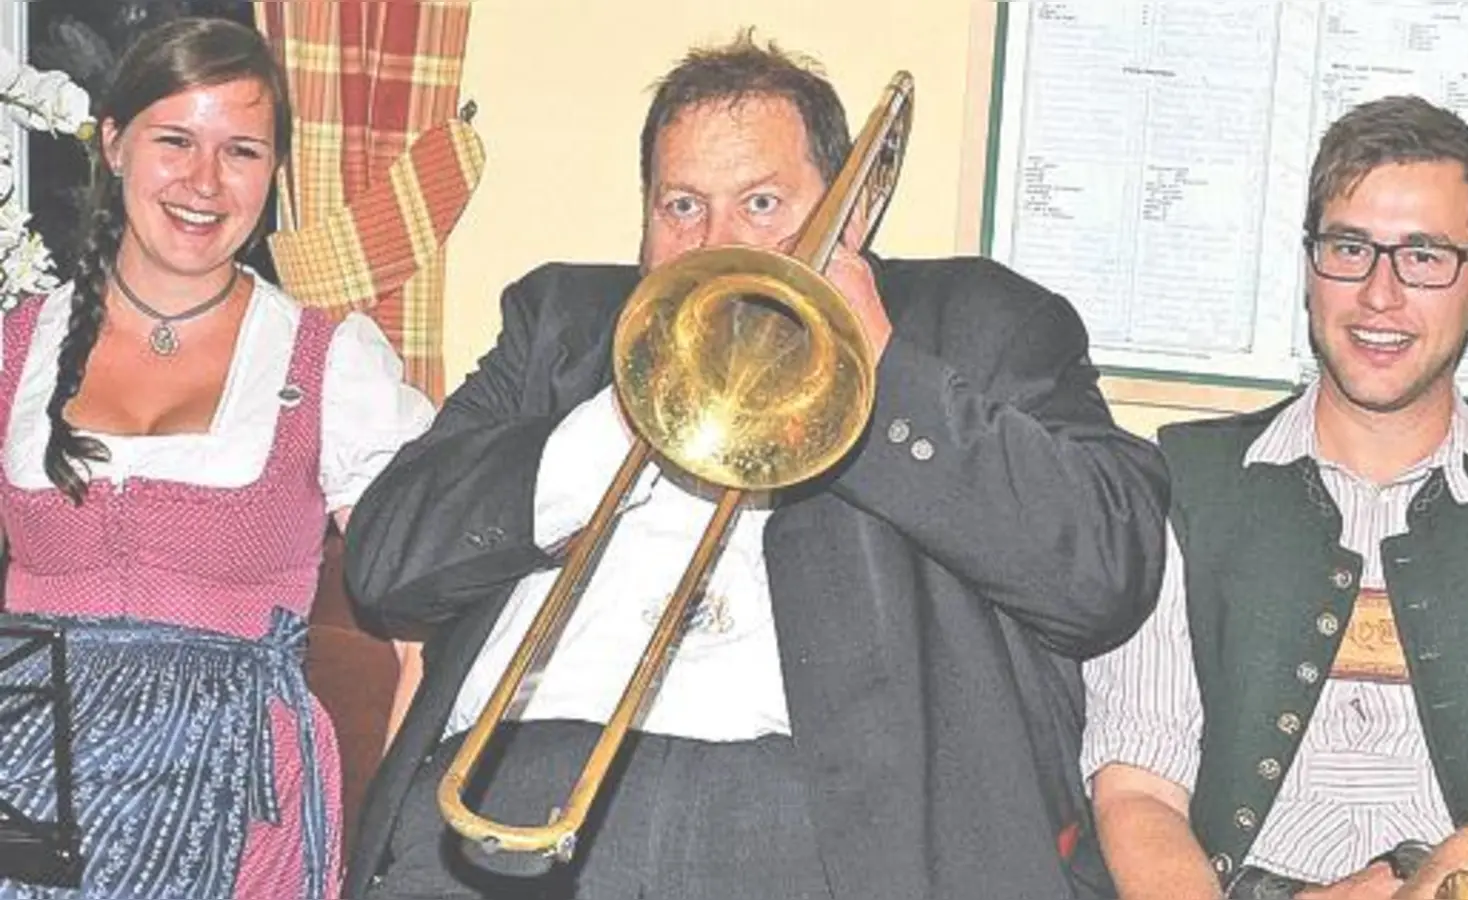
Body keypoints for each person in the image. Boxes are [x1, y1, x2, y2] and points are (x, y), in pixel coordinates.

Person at [341, 29, 1170, 900]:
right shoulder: (561, 324)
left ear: (850, 214)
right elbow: (387, 561)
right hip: (518, 785)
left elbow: (1106, 567)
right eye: (681, 206)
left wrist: (883, 374)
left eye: (763, 203)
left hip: (825, 820)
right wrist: (621, 416)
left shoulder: (975, 319)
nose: (716, 242)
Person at [1081, 94, 1468, 900]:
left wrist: (1451, 861)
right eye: (1350, 248)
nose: (1380, 294)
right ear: (1310, 266)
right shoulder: (1182, 482)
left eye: (1424, 256)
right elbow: (1138, 790)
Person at [0, 17, 434, 899]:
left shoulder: (330, 362)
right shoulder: (17, 347)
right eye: (175, 141)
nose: (205, 182)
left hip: (239, 802)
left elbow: (428, 626)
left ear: (274, 173)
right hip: (28, 785)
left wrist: (397, 840)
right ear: (113, 144)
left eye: (241, 151)